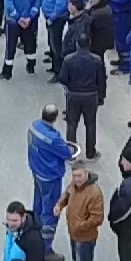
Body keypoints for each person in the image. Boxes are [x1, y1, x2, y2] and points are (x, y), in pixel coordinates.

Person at [55, 162, 104, 261]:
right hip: (74, 234)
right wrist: (59, 205)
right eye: (74, 175)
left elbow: (97, 218)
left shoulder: (94, 193)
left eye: (79, 175)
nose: (76, 179)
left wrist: (79, 226)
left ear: (86, 173)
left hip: (85, 237)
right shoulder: (74, 185)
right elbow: (67, 194)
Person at [27, 104, 76, 252]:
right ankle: (45, 247)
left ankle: (33, 232)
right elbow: (67, 153)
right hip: (50, 176)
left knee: (38, 203)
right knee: (50, 210)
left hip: (37, 171)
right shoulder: (53, 139)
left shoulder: (34, 126)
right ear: (55, 118)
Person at [56, 30, 106, 159]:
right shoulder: (96, 60)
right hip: (90, 95)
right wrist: (101, 96)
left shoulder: (68, 60)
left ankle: (71, 153)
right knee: (90, 124)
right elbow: (101, 80)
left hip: (73, 94)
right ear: (89, 44)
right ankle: (90, 152)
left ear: (77, 44)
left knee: (72, 124)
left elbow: (62, 78)